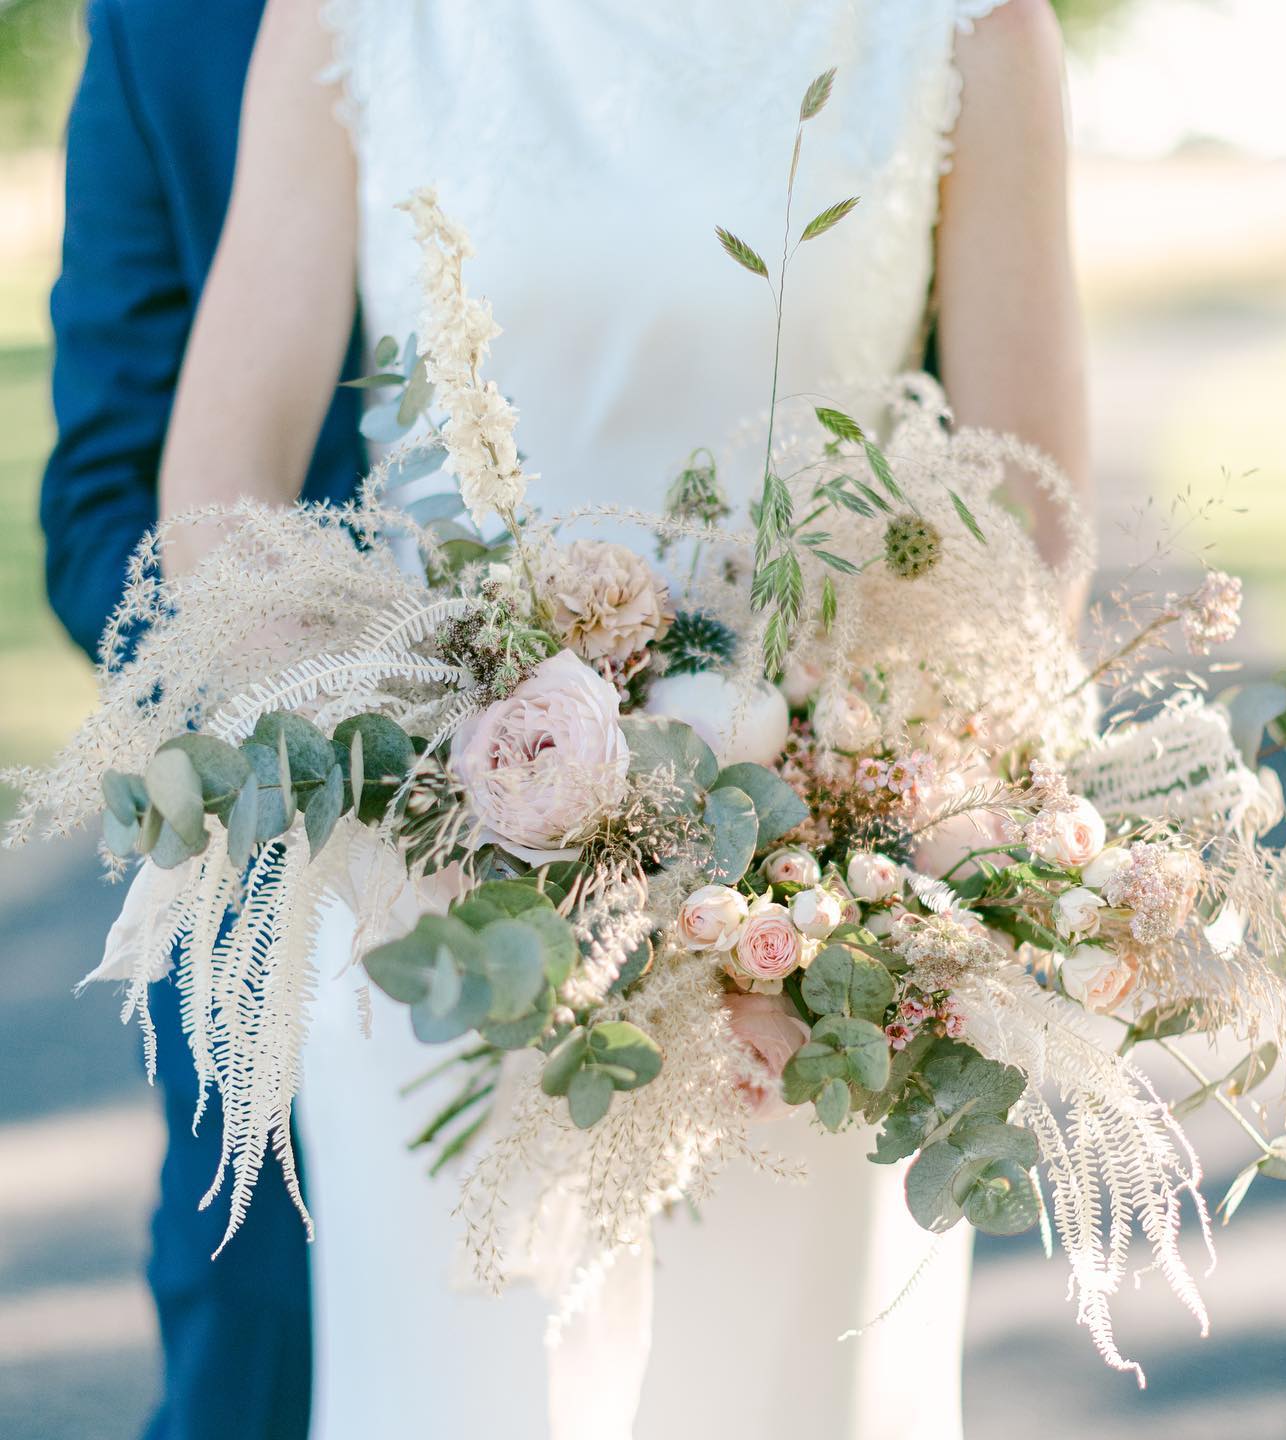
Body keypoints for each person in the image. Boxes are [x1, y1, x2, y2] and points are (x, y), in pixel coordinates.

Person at [156, 0, 1088, 1435]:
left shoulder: (967, 26)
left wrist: (870, 830)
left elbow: (1027, 534)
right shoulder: (350, 21)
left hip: (808, 942)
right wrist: (407, 761)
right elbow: (221, 501)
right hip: (440, 915)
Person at [40, 1, 367, 1433]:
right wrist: (321, 691)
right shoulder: (165, 29)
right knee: (256, 1345)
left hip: (694, 814)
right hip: (284, 845)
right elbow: (98, 502)